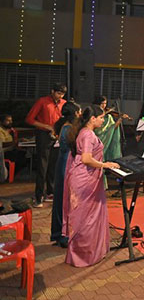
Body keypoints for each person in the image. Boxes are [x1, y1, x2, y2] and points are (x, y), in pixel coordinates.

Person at [63, 105, 120, 267]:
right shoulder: (88, 134)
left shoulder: (84, 132)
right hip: (85, 180)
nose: (103, 120)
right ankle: (84, 256)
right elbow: (86, 159)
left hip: (85, 178)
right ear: (92, 119)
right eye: (101, 118)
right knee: (86, 219)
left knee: (87, 218)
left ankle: (87, 254)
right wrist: (105, 164)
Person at [26, 82, 67, 207]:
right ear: (52, 91)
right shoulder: (42, 101)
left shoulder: (64, 103)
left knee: (54, 165)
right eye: (58, 93)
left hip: (57, 136)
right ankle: (39, 196)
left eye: (62, 94)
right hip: (44, 135)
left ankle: (51, 192)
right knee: (42, 166)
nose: (60, 96)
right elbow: (29, 119)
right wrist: (46, 126)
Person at [50, 101, 81, 248]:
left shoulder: (64, 126)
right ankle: (63, 236)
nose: (80, 114)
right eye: (79, 111)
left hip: (62, 164)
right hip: (66, 166)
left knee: (61, 200)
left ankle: (59, 234)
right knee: (65, 201)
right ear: (74, 113)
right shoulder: (69, 129)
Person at [93, 96, 131, 162]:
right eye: (102, 103)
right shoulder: (93, 114)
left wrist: (117, 123)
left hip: (108, 140)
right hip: (96, 139)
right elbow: (98, 131)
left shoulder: (108, 117)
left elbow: (111, 130)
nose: (104, 105)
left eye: (105, 103)